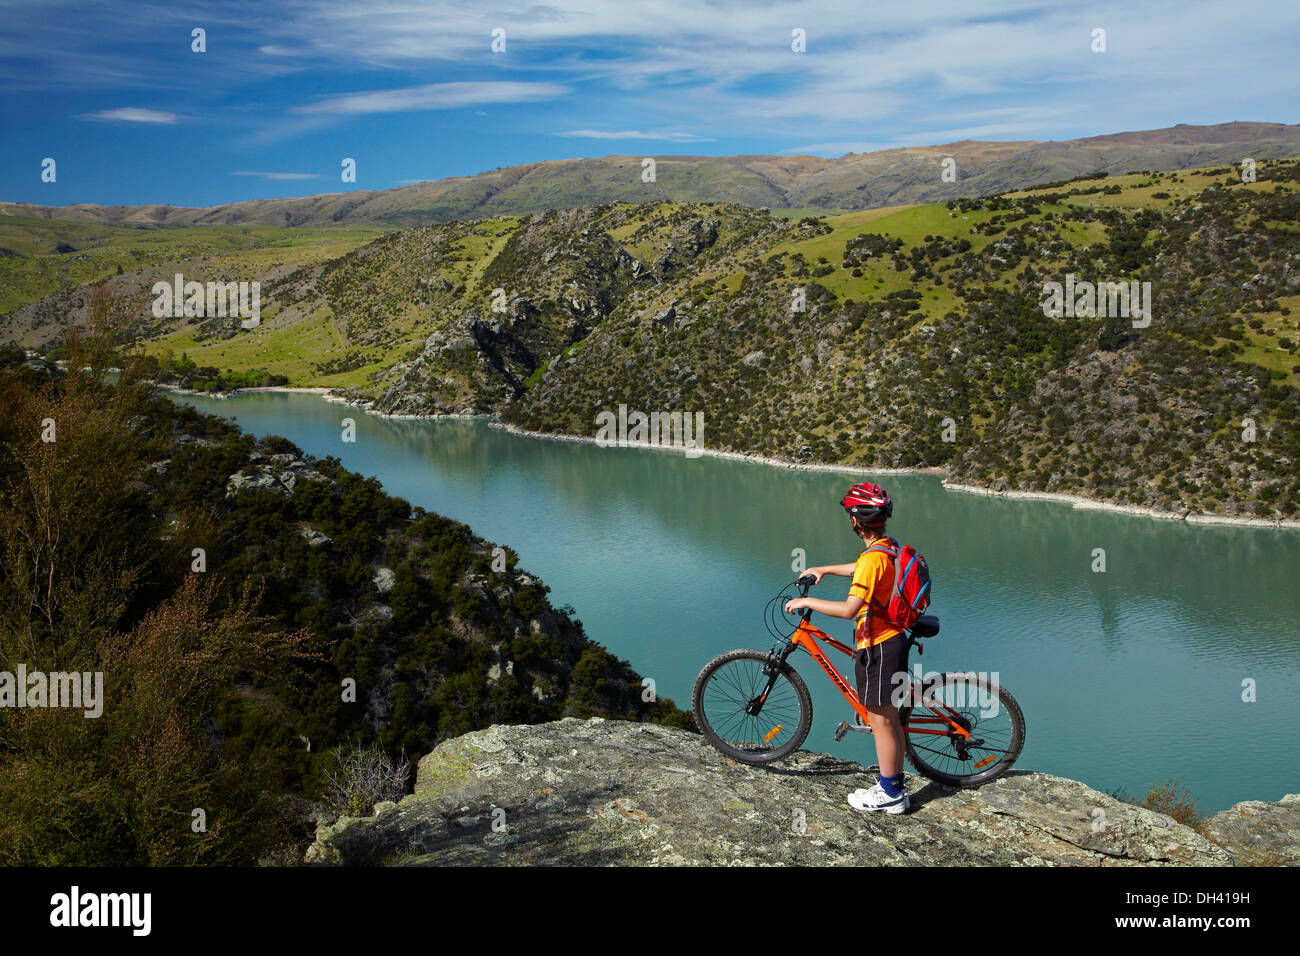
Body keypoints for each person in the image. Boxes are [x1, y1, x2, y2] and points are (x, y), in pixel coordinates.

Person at [784, 481, 910, 814]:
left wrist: (806, 600)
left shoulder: (872, 559)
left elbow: (848, 610)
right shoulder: (887, 547)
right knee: (886, 718)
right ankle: (893, 784)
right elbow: (860, 567)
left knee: (880, 721)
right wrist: (824, 568)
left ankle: (891, 794)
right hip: (891, 640)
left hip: (879, 646)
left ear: (856, 520)